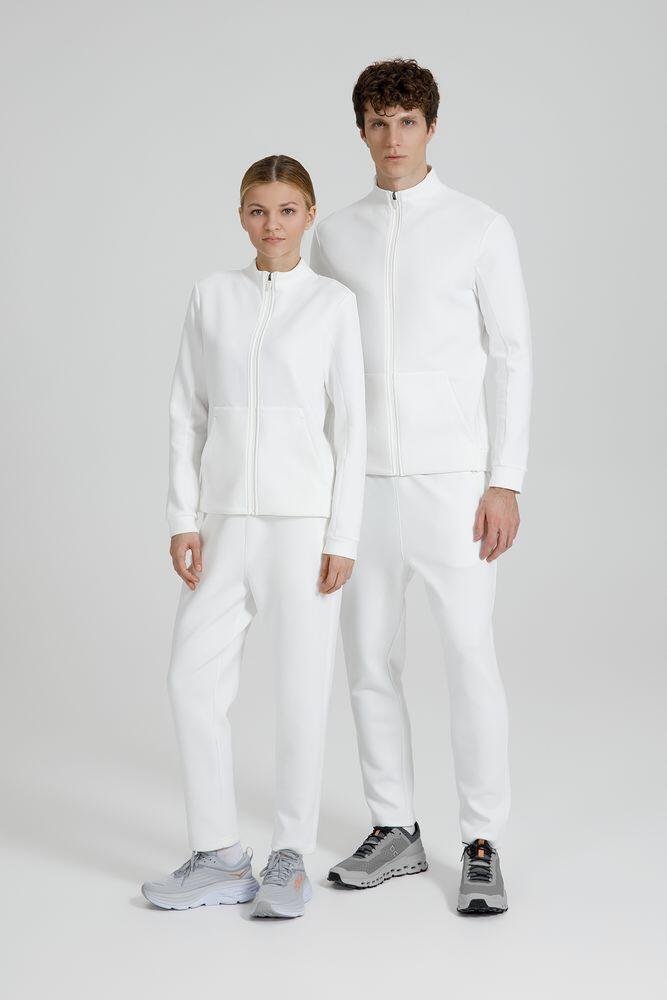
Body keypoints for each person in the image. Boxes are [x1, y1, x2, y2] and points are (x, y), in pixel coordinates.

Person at [310, 59, 532, 914]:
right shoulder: (336, 235)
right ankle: (394, 826)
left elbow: (510, 356)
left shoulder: (479, 227)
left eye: (405, 121)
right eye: (377, 122)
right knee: (368, 657)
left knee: (469, 655)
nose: (391, 137)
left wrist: (504, 480)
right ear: (360, 131)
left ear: (430, 129)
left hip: (452, 484)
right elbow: (323, 365)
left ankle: (480, 839)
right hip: (362, 483)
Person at [141, 155, 366, 919]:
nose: (272, 224)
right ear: (241, 216)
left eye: (287, 210)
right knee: (191, 679)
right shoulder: (212, 296)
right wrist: (184, 517)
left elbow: (352, 428)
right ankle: (219, 855)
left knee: (301, 690)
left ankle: (289, 857)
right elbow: (187, 413)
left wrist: (343, 533)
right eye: (258, 210)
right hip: (224, 523)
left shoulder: (332, 304)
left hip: (304, 527)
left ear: (309, 215)